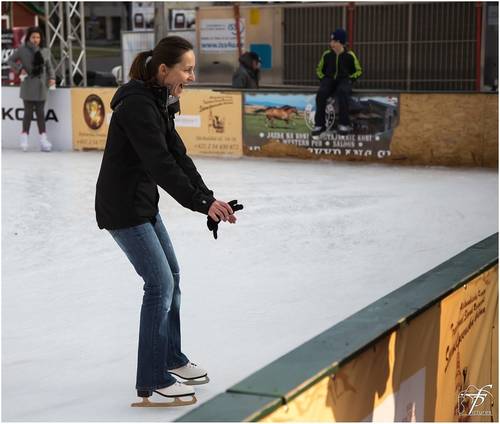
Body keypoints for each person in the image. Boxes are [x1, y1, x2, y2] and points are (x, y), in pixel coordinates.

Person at [95, 36, 242, 406]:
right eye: (187, 69)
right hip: (123, 208)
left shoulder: (160, 101)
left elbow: (178, 155)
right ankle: (151, 379)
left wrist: (208, 198)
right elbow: (160, 164)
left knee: (171, 276)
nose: (191, 77)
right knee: (158, 284)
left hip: (142, 204)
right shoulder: (137, 107)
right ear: (164, 69)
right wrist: (200, 204)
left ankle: (170, 357)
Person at [7, 26, 55, 152]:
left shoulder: (45, 50)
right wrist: (19, 69)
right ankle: (24, 138)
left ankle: (43, 139)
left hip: (41, 86)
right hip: (28, 85)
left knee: (40, 113)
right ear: (29, 37)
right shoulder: (22, 50)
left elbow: (49, 67)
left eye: (38, 37)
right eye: (33, 37)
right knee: (28, 114)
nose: (35, 39)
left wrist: (52, 78)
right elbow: (10, 60)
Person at [312, 29, 362, 137]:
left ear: (340, 42)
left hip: (344, 80)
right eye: (331, 41)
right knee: (321, 93)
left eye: (334, 41)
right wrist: (323, 79)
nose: (331, 44)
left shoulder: (350, 55)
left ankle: (344, 124)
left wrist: (350, 79)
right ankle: (319, 125)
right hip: (329, 80)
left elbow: (358, 71)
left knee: (343, 91)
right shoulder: (327, 55)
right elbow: (319, 70)